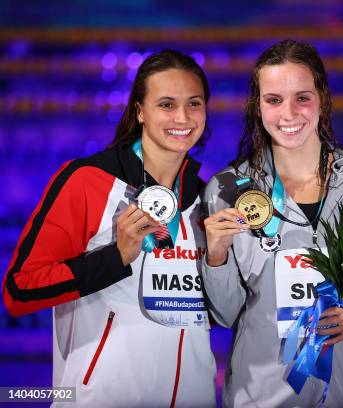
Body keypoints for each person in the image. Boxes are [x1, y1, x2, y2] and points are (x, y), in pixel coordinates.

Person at [2, 50, 216, 407]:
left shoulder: (207, 198)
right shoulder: (87, 181)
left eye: (194, 103)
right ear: (139, 111)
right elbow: (20, 289)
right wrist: (115, 257)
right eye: (166, 104)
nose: (182, 117)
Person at [203, 39, 343, 407]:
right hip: (264, 395)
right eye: (274, 100)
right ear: (258, 106)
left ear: (322, 98)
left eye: (302, 98)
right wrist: (216, 255)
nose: (288, 113)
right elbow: (225, 314)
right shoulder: (228, 190)